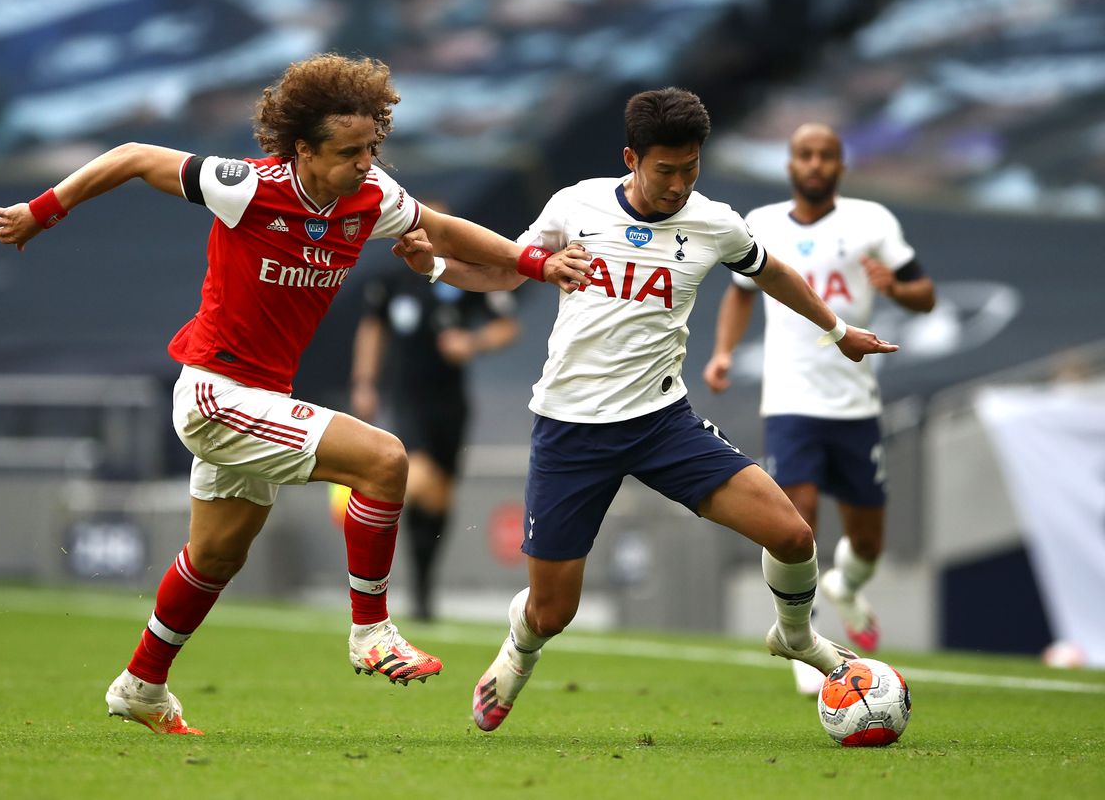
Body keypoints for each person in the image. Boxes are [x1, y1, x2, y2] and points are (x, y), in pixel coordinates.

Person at [0, 53, 588, 735]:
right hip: (216, 393)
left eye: (372, 147)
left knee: (216, 556)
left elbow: (446, 231)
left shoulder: (371, 196)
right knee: (385, 460)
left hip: (263, 395)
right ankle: (371, 631)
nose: (366, 163)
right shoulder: (247, 186)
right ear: (303, 149)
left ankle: (141, 685)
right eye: (349, 152)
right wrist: (41, 211)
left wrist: (535, 261)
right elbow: (131, 156)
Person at [392, 87, 899, 732]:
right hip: (571, 429)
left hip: (663, 424)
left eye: (691, 168)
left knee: (795, 535)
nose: (679, 185)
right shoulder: (576, 205)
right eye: (665, 171)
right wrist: (436, 266)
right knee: (552, 612)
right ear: (631, 159)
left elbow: (772, 272)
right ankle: (519, 649)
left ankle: (797, 638)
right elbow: (507, 272)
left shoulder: (715, 223)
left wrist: (837, 329)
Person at [703, 122, 935, 694]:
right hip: (790, 400)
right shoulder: (762, 224)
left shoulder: (872, 221)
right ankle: (802, 637)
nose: (814, 164)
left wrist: (894, 288)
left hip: (855, 403)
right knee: (797, 522)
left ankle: (846, 587)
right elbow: (740, 294)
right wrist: (723, 353)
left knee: (868, 543)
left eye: (825, 155)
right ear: (791, 165)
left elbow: (925, 295)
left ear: (840, 165)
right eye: (804, 154)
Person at [350, 227, 521, 621]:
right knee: (420, 479)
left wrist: (473, 343)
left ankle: (423, 590)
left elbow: (507, 327)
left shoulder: (463, 278)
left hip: (451, 403)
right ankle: (394, 584)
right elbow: (372, 330)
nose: (421, 243)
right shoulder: (390, 282)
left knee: (440, 497)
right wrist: (364, 382)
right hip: (407, 400)